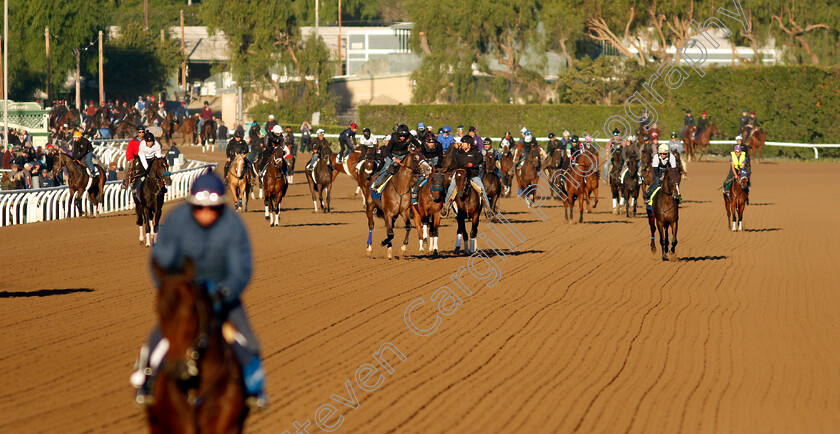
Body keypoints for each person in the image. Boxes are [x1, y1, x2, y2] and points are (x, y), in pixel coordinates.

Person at [130, 173, 267, 411]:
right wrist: (173, 288)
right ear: (192, 203)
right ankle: (147, 380)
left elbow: (241, 268)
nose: (205, 212)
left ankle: (255, 388)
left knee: (248, 340)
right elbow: (161, 260)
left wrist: (224, 292)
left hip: (221, 293)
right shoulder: (177, 221)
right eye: (200, 207)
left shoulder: (232, 225)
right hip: (185, 292)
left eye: (212, 208)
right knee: (161, 335)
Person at [440, 136, 494, 219]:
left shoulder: (476, 152)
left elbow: (480, 160)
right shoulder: (459, 153)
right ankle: (446, 208)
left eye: (463, 143)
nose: (462, 145)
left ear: (469, 144)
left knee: (481, 190)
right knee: (451, 189)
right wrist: (447, 169)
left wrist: (473, 164)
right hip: (461, 176)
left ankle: (488, 210)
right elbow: (455, 164)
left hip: (473, 175)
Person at [371, 124, 419, 190]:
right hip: (392, 155)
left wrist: (418, 154)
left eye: (404, 136)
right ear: (398, 134)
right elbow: (387, 150)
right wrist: (394, 158)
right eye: (401, 136)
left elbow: (419, 146)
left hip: (404, 155)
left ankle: (414, 188)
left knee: (411, 168)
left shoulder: (410, 137)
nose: (403, 138)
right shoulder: (394, 136)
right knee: (386, 167)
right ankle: (376, 184)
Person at [133, 131, 164, 196]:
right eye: (148, 142)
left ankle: (163, 187)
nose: (150, 143)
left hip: (152, 158)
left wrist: (159, 164)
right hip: (143, 158)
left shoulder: (157, 145)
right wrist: (147, 168)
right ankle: (135, 187)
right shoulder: (142, 144)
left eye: (151, 142)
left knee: (159, 171)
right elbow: (142, 156)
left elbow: (158, 155)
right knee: (142, 172)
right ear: (145, 141)